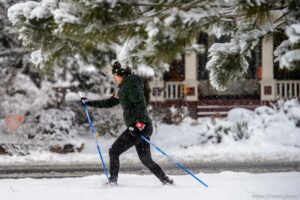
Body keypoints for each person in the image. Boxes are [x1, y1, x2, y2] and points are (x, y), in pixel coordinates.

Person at [81, 61, 173, 185]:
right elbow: (110, 102)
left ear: (121, 73)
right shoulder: (123, 87)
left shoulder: (130, 83)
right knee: (145, 159)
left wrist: (139, 126)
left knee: (114, 151)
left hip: (140, 126)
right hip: (141, 127)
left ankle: (113, 182)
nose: (114, 79)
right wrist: (89, 103)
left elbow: (140, 104)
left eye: (115, 76)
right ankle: (165, 180)